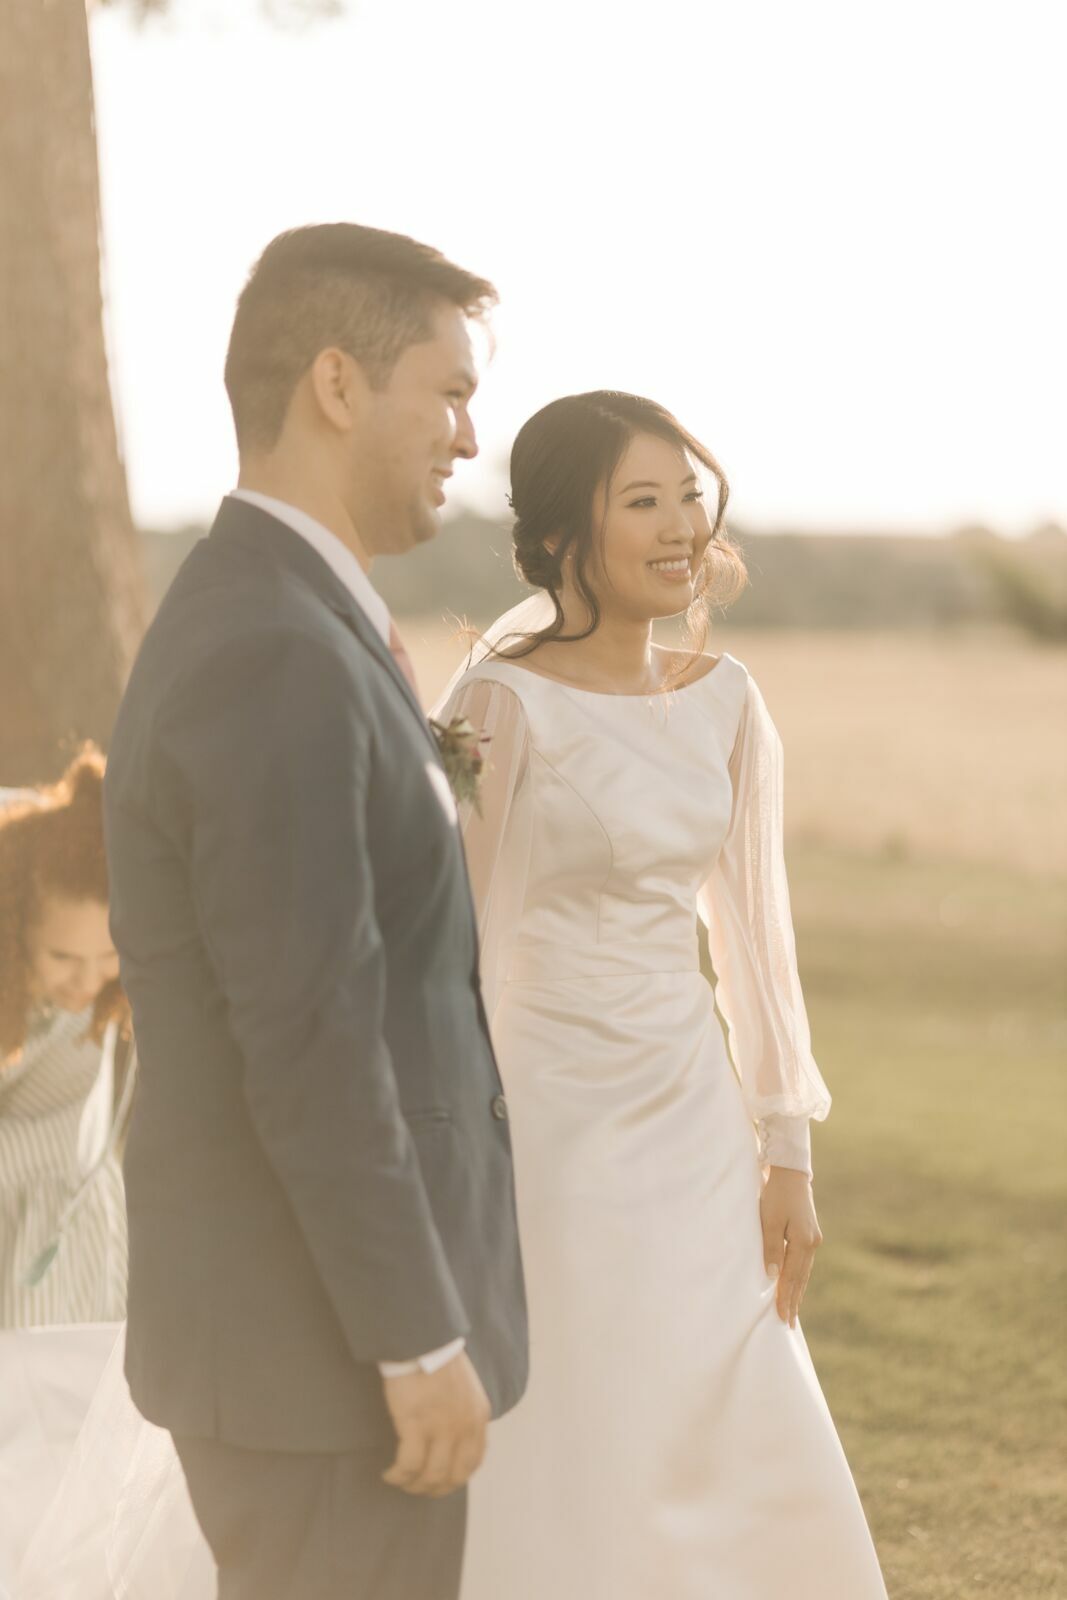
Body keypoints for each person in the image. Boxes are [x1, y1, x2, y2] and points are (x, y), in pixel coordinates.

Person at [100, 223, 527, 1600]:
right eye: (449, 390)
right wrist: (411, 1341)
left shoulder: (295, 614)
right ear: (339, 386)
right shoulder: (271, 649)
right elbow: (308, 1031)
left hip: (313, 1346)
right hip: (319, 1358)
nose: (468, 434)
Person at [433, 391, 889, 1598]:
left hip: (689, 1106)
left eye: (688, 494)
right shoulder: (498, 706)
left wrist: (784, 1147)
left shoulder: (727, 702)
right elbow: (450, 948)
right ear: (556, 537)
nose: (679, 523)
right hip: (544, 1117)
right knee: (584, 1398)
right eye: (640, 500)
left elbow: (753, 938)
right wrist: (451, 1151)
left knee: (726, 1370)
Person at [0, 747, 131, 1328]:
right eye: (63, 957)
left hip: (77, 1230)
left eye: (107, 956)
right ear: (17, 928)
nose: (86, 979)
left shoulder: (109, 996)